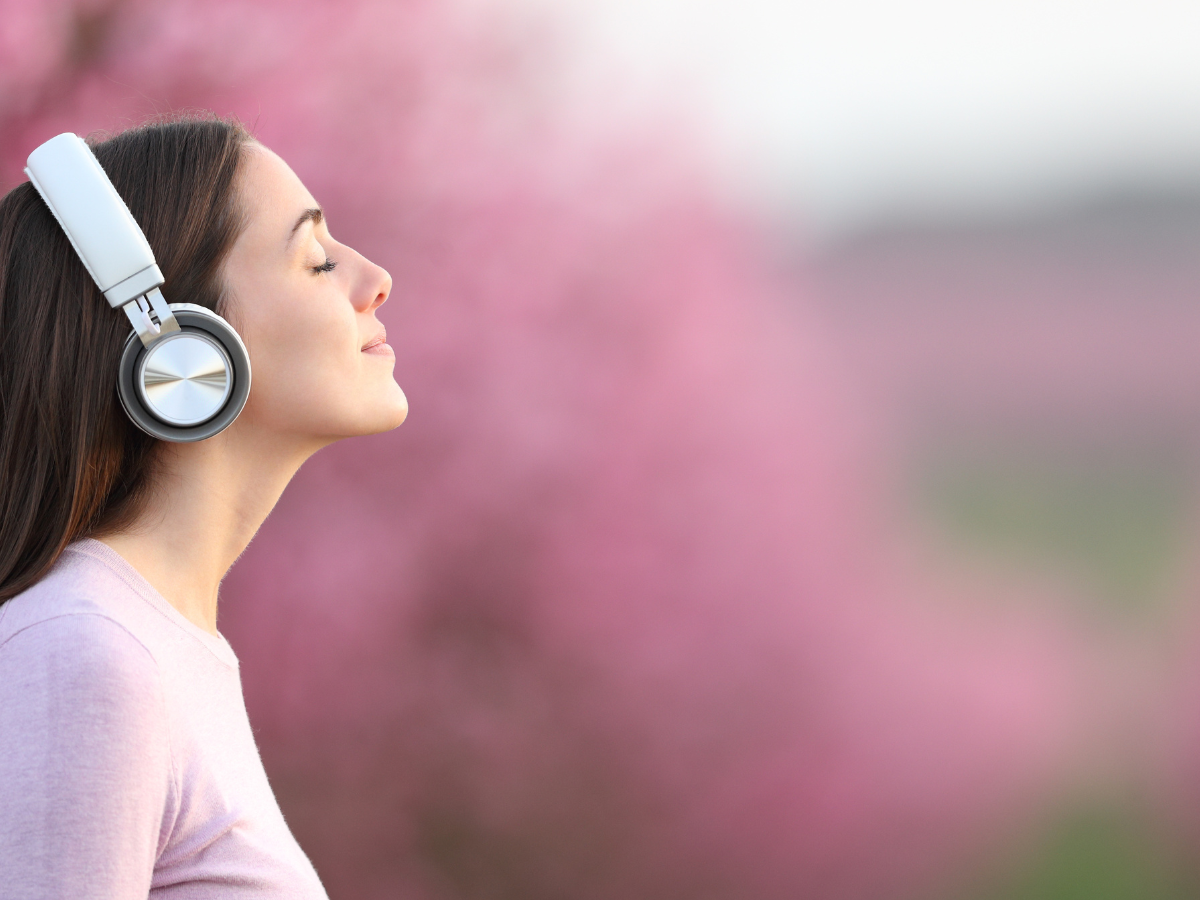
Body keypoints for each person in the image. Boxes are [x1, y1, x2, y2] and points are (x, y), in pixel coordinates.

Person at [0, 115, 407, 897]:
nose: (375, 278)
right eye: (318, 261)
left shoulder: (153, 649)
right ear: (182, 349)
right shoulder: (85, 653)